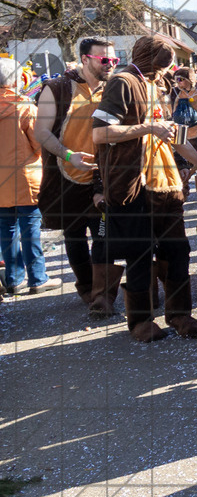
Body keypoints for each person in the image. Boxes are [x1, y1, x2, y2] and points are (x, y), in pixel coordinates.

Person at [91, 36, 197, 342]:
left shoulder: (159, 85)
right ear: (148, 60)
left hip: (167, 185)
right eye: (163, 65)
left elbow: (175, 134)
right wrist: (147, 128)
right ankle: (140, 322)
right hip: (134, 186)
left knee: (178, 252)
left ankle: (180, 314)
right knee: (140, 256)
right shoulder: (124, 82)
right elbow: (100, 133)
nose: (167, 73)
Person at [34, 38, 117, 313]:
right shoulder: (57, 88)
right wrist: (69, 156)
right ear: (85, 59)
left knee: (103, 236)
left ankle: (101, 296)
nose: (111, 65)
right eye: (105, 60)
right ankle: (86, 288)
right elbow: (42, 131)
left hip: (101, 179)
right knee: (75, 238)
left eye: (114, 60)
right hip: (66, 177)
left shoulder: (113, 88)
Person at [0, 56, 55, 296]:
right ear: (16, 81)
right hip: (25, 180)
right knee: (30, 229)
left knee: (6, 232)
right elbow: (40, 144)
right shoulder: (25, 109)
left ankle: (13, 279)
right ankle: (38, 278)